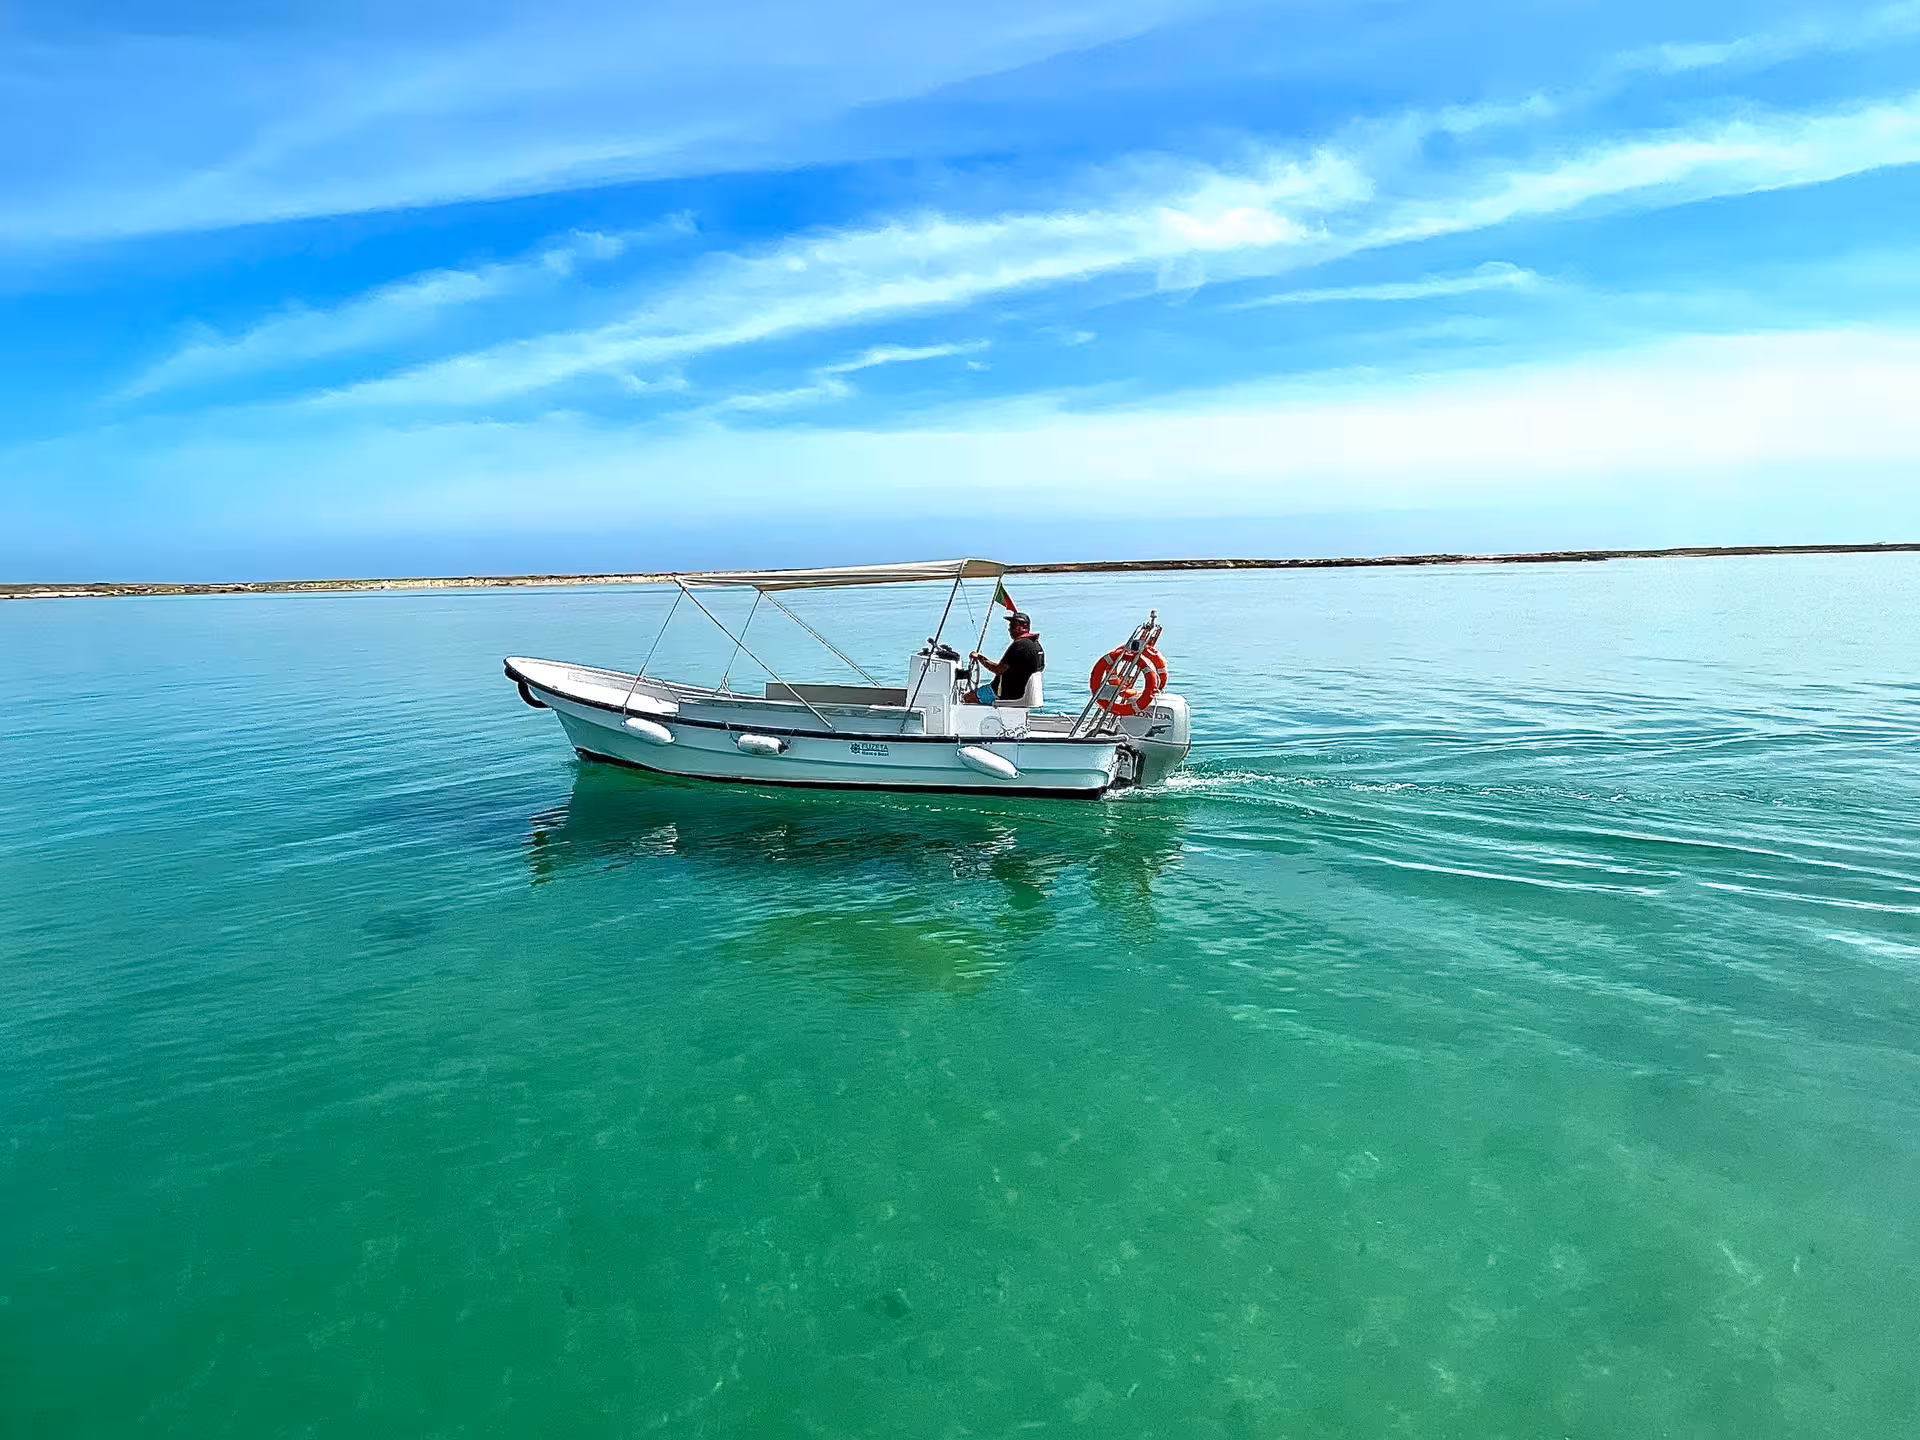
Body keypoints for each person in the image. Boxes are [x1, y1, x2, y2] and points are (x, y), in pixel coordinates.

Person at [968, 611, 1045, 705]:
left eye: (1012, 626)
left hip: (1006, 694)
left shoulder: (1019, 645)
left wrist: (979, 657)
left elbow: (998, 670)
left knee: (966, 698)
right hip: (1022, 694)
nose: (1009, 629)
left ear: (1022, 627)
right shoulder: (1037, 646)